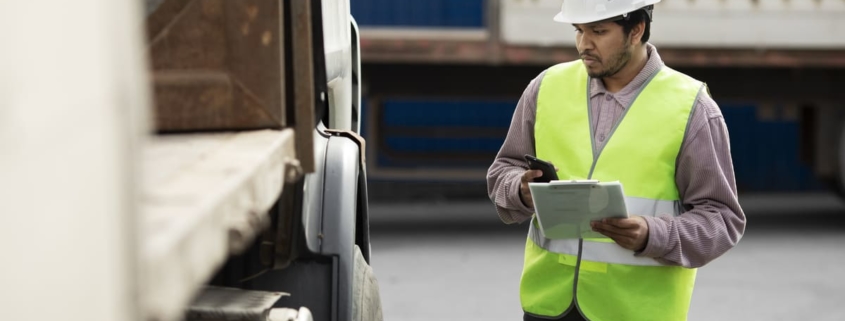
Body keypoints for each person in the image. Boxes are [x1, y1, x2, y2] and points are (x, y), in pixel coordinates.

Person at [486, 1, 747, 320]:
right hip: (547, 306)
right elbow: (502, 171)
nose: (584, 44)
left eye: (598, 31)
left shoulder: (691, 108)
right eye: (579, 31)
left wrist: (653, 235)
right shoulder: (545, 88)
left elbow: (722, 218)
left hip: (635, 312)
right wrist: (519, 189)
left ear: (636, 30)